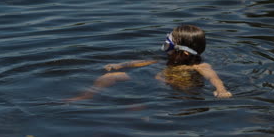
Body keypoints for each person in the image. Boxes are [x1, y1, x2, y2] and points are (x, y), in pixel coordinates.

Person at [67, 25, 232, 101]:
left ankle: (136, 110)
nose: (167, 46)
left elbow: (213, 78)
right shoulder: (168, 59)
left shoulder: (200, 66)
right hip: (151, 81)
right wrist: (121, 65)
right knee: (111, 76)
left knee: (138, 105)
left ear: (184, 52)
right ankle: (86, 96)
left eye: (170, 44)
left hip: (175, 88)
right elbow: (144, 62)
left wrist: (221, 89)